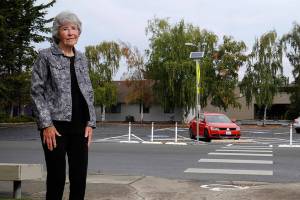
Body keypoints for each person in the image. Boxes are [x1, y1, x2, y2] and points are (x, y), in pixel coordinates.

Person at [31, 11, 96, 200]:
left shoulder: (83, 59)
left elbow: (88, 92)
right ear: (57, 32)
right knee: (56, 178)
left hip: (80, 127)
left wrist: (90, 123)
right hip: (55, 128)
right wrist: (46, 125)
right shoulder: (45, 56)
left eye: (74, 28)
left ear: (79, 32)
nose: (70, 32)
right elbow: (37, 92)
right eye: (65, 28)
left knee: (79, 179)